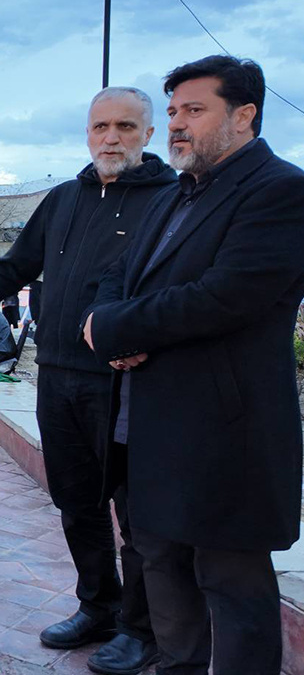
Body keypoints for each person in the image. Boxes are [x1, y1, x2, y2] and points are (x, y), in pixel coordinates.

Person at [0, 86, 176, 674]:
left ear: (148, 134)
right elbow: (15, 265)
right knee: (75, 499)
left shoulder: (173, 200)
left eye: (126, 126)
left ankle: (140, 629)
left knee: (136, 509)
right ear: (88, 132)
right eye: (101, 126)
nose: (111, 137)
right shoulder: (64, 198)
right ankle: (97, 605)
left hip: (130, 383)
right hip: (60, 374)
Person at [83, 56, 304, 675]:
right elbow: (115, 277)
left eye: (194, 110)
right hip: (148, 427)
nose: (177, 124)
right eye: (174, 111)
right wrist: (106, 326)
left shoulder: (281, 191)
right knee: (161, 565)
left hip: (225, 434)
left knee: (231, 584)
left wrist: (118, 326)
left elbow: (224, 296)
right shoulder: (176, 192)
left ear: (244, 115)